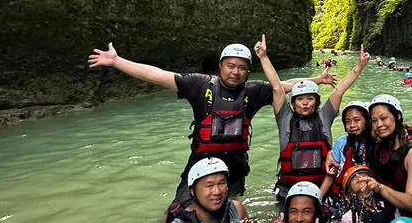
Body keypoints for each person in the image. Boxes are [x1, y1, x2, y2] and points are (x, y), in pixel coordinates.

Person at [88, 37, 336, 206]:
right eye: (230, 66)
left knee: (227, 212)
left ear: (248, 70)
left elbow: (285, 87)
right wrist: (116, 61)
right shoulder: (200, 85)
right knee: (182, 209)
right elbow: (158, 75)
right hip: (200, 162)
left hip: (234, 167)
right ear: (220, 66)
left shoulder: (254, 90)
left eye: (241, 67)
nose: (235, 71)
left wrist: (317, 80)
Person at [270, 45, 371, 208]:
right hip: (288, 193)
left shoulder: (324, 117)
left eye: (309, 98)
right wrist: (263, 56)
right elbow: (276, 87)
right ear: (293, 103)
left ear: (316, 101)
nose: (304, 103)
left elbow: (339, 90)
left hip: (322, 190)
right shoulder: (285, 119)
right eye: (299, 99)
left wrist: (359, 66)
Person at [364, 95, 412, 217]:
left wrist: (380, 188)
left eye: (384, 118)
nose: (379, 125)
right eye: (374, 121)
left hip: (407, 216)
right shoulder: (379, 140)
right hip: (385, 206)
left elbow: (411, 203)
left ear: (397, 116)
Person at [168, 158, 249, 223]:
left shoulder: (236, 209)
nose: (217, 192)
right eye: (209, 185)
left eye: (221, 183)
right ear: (193, 192)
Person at [324, 101, 375, 199]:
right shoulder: (341, 143)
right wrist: (318, 199)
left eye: (357, 120)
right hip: (342, 196)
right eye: (348, 121)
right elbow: (331, 175)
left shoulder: (377, 144)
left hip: (370, 197)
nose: (352, 125)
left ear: (367, 121)